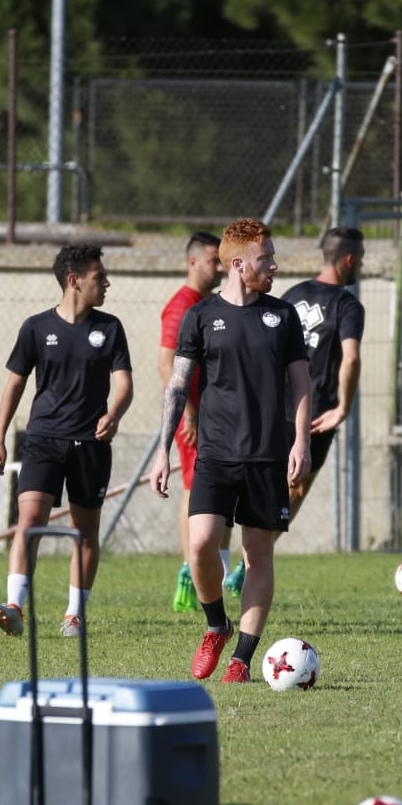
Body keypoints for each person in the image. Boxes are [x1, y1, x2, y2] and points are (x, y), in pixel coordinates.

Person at [148, 218, 312, 683]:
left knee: (258, 554)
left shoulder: (282, 317)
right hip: (216, 455)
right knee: (200, 543)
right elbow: (178, 385)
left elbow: (300, 383)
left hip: (267, 455)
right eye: (267, 258)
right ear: (238, 264)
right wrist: (164, 449)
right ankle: (215, 625)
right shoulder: (200, 316)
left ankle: (241, 658)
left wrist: (299, 439)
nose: (275, 265)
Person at [0, 244, 133, 638]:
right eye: (99, 277)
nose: (106, 283)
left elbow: (125, 385)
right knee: (29, 523)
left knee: (84, 532)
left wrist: (113, 415)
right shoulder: (36, 327)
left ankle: (74, 615)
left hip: (90, 445)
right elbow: (14, 384)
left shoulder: (110, 328)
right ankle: (15, 607)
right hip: (43, 441)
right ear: (74, 280)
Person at [158, 232, 242, 611]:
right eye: (213, 260)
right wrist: (189, 413)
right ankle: (192, 572)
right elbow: (166, 364)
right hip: (193, 417)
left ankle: (216, 574)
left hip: (214, 416)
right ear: (193, 262)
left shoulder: (209, 304)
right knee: (197, 489)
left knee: (221, 495)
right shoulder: (182, 306)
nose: (220, 267)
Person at [281, 226, 366, 524]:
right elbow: (352, 359)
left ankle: (245, 558)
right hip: (316, 416)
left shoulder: (291, 295)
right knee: (295, 489)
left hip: (277, 407)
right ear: (349, 260)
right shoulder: (347, 306)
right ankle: (249, 563)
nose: (362, 265)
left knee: (267, 486)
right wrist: (343, 407)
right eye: (362, 258)